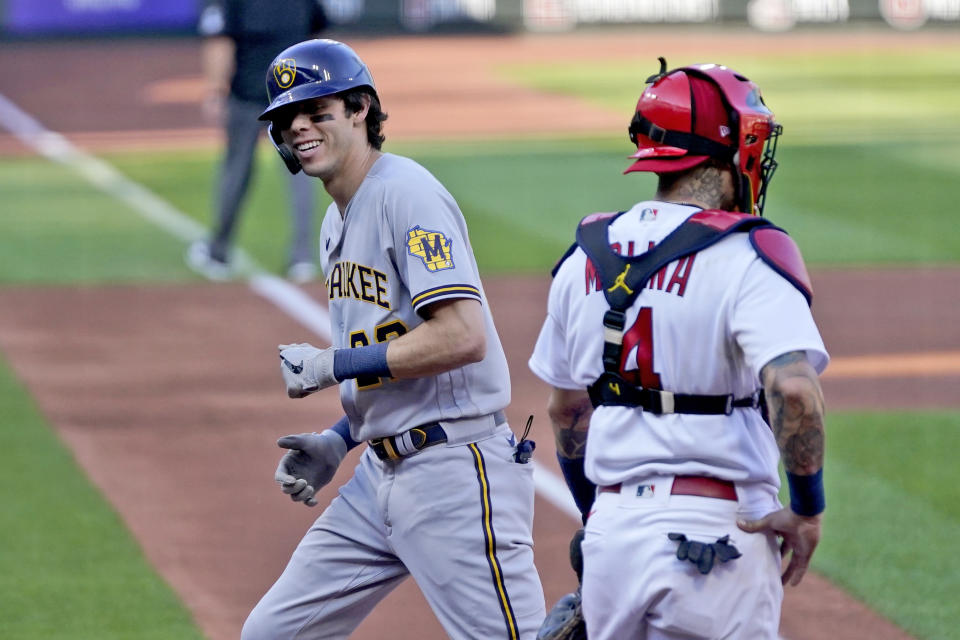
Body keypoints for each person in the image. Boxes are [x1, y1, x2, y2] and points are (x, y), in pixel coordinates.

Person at [241, 39, 546, 640]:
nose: (298, 126)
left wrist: (334, 366)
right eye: (285, 119)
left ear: (360, 109)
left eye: (315, 110)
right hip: (378, 477)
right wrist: (341, 437)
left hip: (454, 473)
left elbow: (461, 336)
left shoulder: (406, 194)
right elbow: (395, 350)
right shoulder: (337, 218)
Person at [528, 60, 829, 640]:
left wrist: (596, 517)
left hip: (612, 536)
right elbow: (794, 390)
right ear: (729, 147)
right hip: (716, 541)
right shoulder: (751, 252)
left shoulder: (584, 255)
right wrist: (808, 507)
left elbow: (568, 410)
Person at [186, 0, 327, 282]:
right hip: (292, 97)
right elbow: (318, 38)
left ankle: (218, 252)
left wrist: (215, 88)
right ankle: (301, 257)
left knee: (236, 171)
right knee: (301, 171)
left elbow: (220, 39)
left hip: (248, 95)